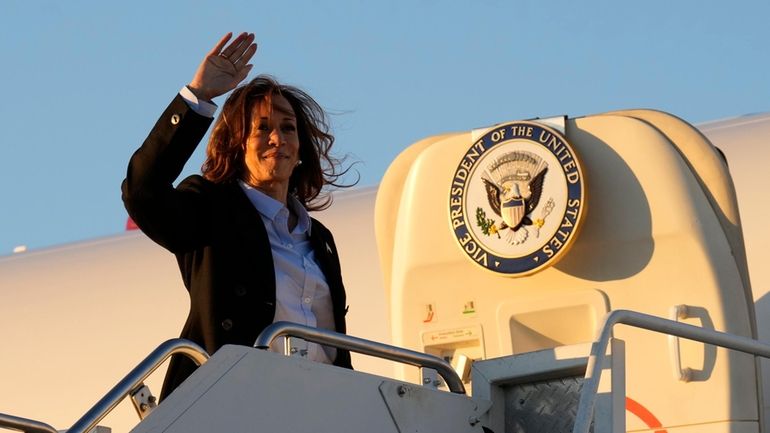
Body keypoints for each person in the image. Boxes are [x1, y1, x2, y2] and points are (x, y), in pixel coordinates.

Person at [122, 32, 353, 400]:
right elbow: (142, 192)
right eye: (262, 128)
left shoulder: (319, 238)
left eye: (288, 128)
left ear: (301, 150)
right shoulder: (211, 208)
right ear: (236, 144)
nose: (277, 138)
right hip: (234, 403)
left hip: (319, 405)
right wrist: (198, 96)